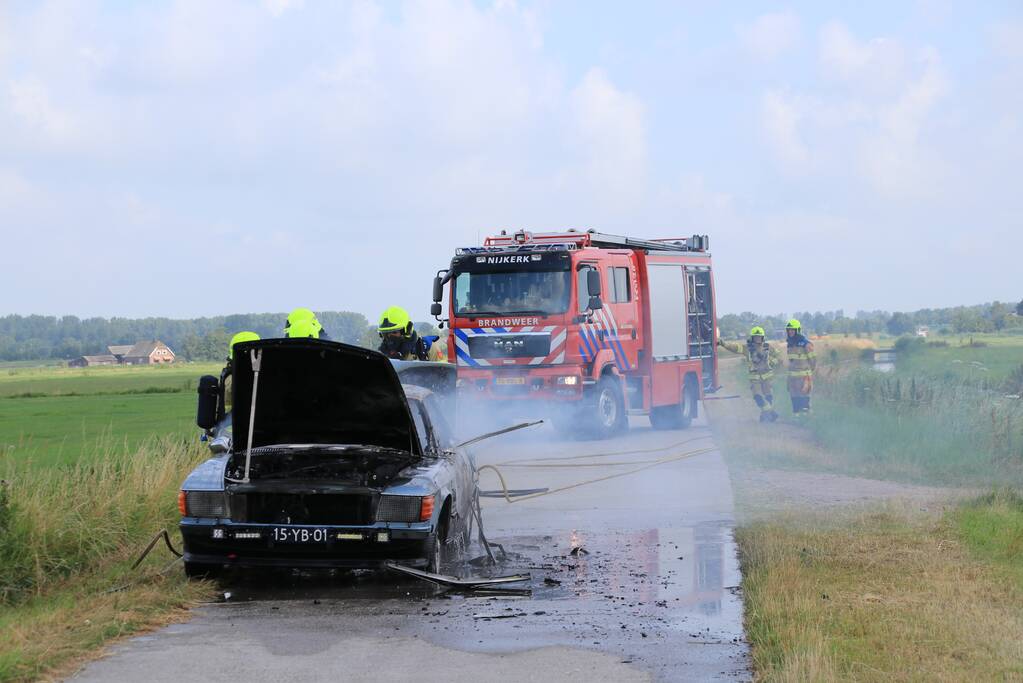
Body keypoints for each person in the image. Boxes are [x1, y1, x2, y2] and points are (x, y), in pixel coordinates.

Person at [718, 326, 780, 422]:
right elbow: (734, 347)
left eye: (759, 337)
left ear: (763, 337)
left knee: (768, 397)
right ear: (752, 338)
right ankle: (771, 412)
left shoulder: (768, 347)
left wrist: (772, 361)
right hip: (755, 379)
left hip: (767, 378)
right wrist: (723, 344)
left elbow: (778, 357)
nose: (757, 339)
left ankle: (766, 417)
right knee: (758, 397)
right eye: (755, 337)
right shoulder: (747, 348)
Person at [377, 305, 445, 361]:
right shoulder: (380, 357)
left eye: (394, 332)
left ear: (407, 330)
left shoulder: (428, 348)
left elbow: (442, 375)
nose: (390, 338)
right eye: (385, 334)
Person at [785, 319, 816, 414]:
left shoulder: (806, 344)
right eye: (789, 330)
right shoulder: (790, 344)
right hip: (792, 377)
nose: (790, 332)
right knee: (794, 397)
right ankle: (796, 416)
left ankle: (806, 417)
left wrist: (809, 373)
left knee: (804, 398)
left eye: (792, 330)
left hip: (804, 377)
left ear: (797, 330)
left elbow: (813, 360)